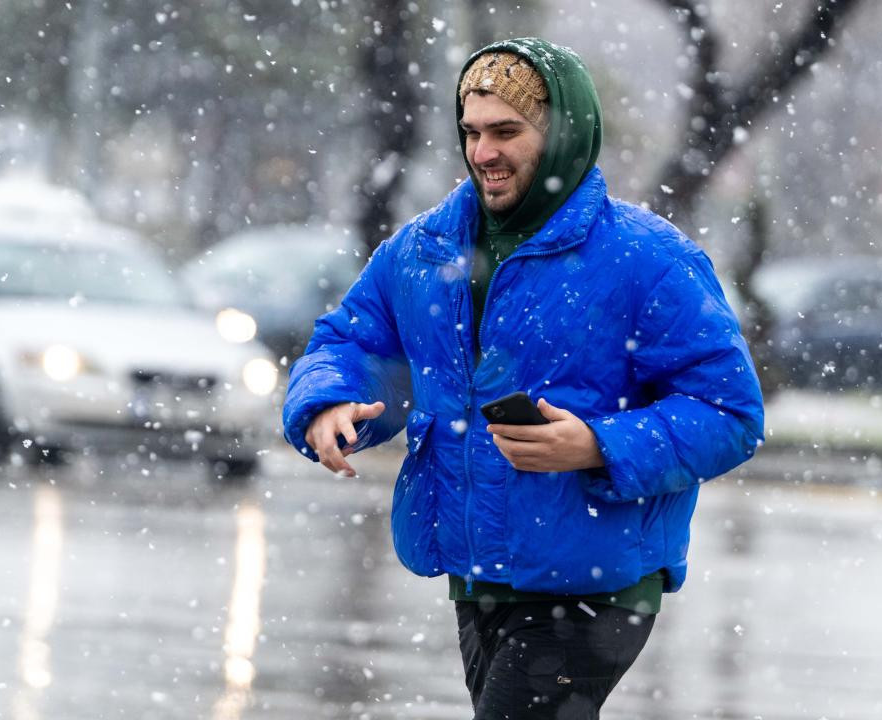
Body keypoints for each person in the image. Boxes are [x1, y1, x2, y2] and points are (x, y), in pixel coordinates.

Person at [283, 37, 764, 719]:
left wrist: (599, 445)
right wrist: (328, 401)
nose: (483, 152)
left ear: (563, 134)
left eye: (506, 131)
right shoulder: (424, 249)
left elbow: (731, 413)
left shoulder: (647, 258)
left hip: (597, 585)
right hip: (477, 574)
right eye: (472, 132)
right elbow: (354, 340)